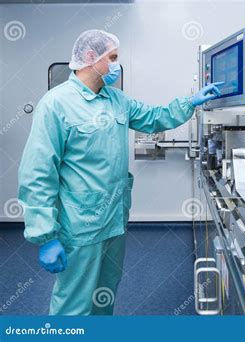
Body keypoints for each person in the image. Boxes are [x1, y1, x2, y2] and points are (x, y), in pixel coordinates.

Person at [17, 29, 221, 315]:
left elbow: (153, 117)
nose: (115, 65)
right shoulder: (56, 104)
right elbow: (37, 173)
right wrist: (45, 235)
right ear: (90, 57)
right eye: (112, 58)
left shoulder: (116, 100)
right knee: (73, 304)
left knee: (105, 295)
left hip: (114, 221)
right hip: (80, 225)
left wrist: (190, 102)